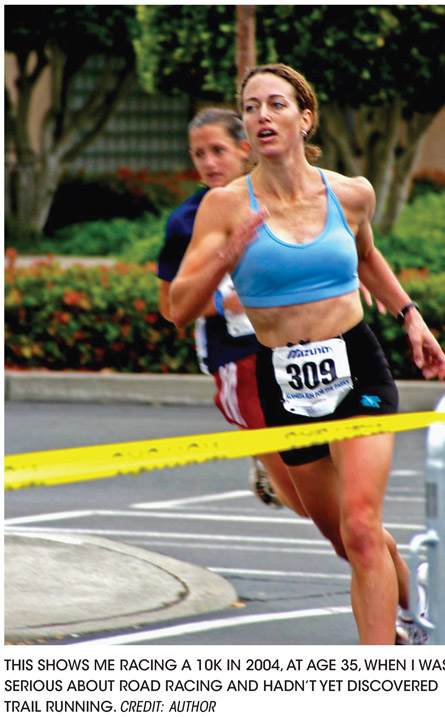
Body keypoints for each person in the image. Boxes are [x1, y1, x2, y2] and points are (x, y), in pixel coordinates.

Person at [170, 64, 445, 645]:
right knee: (342, 536)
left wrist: (410, 316)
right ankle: (412, 613)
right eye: (251, 107)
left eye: (275, 104)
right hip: (282, 378)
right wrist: (225, 259)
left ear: (305, 117)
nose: (263, 115)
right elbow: (178, 307)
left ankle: (380, 673)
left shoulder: (351, 192)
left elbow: (367, 255)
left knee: (363, 528)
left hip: (355, 364)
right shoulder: (224, 207)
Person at [157, 107, 307, 515]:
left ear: (245, 148)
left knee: (330, 481)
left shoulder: (282, 200)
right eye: (198, 154)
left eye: (217, 151)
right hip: (237, 357)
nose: (208, 163)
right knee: (306, 503)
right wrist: (227, 301)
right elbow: (170, 308)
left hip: (299, 347)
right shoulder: (186, 222)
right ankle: (265, 460)